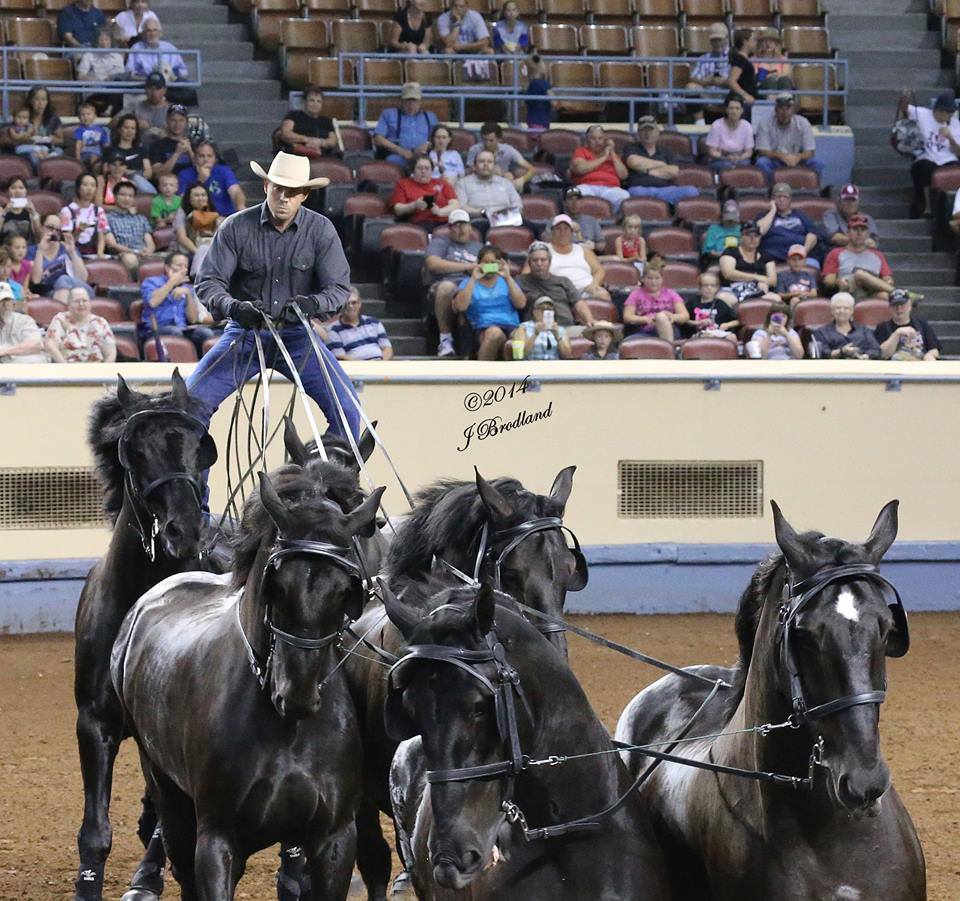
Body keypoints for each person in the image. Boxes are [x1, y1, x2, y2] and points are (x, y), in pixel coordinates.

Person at [187, 151, 360, 441]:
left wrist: (312, 305)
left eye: (292, 192)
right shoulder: (235, 227)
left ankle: (325, 482)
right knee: (188, 408)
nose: (284, 197)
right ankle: (193, 488)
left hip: (298, 337)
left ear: (304, 195)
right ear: (267, 186)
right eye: (278, 189)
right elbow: (208, 283)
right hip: (244, 335)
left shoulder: (320, 230)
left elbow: (339, 289)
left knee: (349, 412)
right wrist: (234, 307)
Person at [453, 243, 525, 360]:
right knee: (494, 333)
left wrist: (508, 277)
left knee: (520, 338)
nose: (490, 266)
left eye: (493, 263)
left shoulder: (507, 281)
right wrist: (473, 278)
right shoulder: (469, 282)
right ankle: (481, 376)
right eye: (486, 262)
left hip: (511, 327)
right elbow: (461, 307)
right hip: (482, 328)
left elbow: (521, 303)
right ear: (479, 263)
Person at [426, 208, 483, 357]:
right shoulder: (440, 242)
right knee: (446, 288)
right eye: (457, 225)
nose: (461, 229)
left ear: (470, 227)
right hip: (447, 282)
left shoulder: (478, 247)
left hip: (474, 283)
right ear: (450, 228)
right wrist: (467, 267)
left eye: (464, 225)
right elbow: (432, 263)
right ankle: (445, 340)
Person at [139, 250, 215, 354]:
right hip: (156, 328)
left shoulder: (187, 288)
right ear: (167, 268)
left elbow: (192, 319)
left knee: (206, 333)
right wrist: (172, 282)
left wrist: (188, 294)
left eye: (185, 266)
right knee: (175, 332)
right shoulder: (151, 282)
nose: (183, 270)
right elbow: (153, 302)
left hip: (182, 328)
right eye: (179, 265)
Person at [899, 90, 960, 218]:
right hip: (926, 156)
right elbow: (905, 109)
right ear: (939, 111)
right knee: (925, 169)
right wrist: (905, 97)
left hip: (947, 159)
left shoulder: (955, 124)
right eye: (948, 113)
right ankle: (927, 207)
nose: (950, 116)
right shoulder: (923, 114)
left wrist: (950, 138)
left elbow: (958, 152)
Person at [517, 240, 595, 334]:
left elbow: (579, 303)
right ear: (529, 263)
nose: (539, 264)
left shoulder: (563, 281)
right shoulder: (520, 281)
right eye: (535, 260)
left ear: (550, 262)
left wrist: (589, 320)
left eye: (543, 260)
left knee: (596, 333)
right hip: (535, 330)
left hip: (566, 329)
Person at [622, 116, 699, 207]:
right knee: (634, 192)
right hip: (641, 189)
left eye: (651, 130)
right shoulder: (631, 147)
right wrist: (661, 164)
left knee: (691, 191)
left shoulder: (666, 151)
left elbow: (673, 171)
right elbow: (633, 162)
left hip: (667, 190)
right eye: (644, 130)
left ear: (658, 132)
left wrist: (646, 170)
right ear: (638, 133)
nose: (647, 133)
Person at [754, 92, 823, 185]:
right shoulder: (765, 123)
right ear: (775, 110)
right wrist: (782, 156)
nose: (785, 113)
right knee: (761, 162)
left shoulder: (803, 123)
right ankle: (772, 191)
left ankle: (813, 193)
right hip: (775, 160)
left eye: (788, 108)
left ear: (793, 110)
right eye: (781, 109)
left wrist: (798, 157)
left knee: (817, 163)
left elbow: (810, 151)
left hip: (797, 159)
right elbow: (762, 151)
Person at [821, 214, 894, 301]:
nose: (859, 233)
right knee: (859, 274)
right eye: (855, 229)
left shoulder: (878, 255)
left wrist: (888, 282)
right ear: (847, 233)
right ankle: (899, 292)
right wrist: (838, 281)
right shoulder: (836, 253)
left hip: (871, 291)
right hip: (847, 291)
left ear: (867, 234)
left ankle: (897, 294)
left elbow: (888, 278)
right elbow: (828, 281)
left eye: (863, 230)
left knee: (884, 296)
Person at [455, 149, 523, 231]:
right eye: (481, 161)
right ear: (474, 166)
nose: (486, 164)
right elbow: (461, 206)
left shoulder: (505, 182)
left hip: (506, 219)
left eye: (490, 162)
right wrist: (482, 213)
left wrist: (510, 213)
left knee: (531, 228)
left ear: (494, 166)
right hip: (480, 220)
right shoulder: (463, 184)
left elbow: (517, 203)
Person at [29, 214, 93, 303]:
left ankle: (62, 314)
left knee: (63, 279)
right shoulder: (32, 251)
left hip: (78, 291)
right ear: (41, 228)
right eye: (50, 228)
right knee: (62, 285)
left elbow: (82, 278)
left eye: (58, 230)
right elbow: (36, 280)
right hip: (50, 293)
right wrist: (40, 251)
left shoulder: (67, 248)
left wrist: (72, 252)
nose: (53, 232)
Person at [45, 286, 117, 363]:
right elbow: (51, 346)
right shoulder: (60, 320)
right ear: (68, 305)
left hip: (96, 369)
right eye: (76, 301)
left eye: (85, 301)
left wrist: (104, 372)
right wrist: (65, 369)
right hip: (67, 369)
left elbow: (111, 353)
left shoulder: (100, 322)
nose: (81, 304)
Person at [373, 82, 438, 167]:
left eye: (414, 100)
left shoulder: (430, 117)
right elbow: (378, 138)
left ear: (420, 101)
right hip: (397, 156)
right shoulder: (389, 114)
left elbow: (439, 136)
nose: (411, 104)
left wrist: (427, 145)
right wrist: (401, 151)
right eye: (407, 100)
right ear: (401, 100)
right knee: (391, 162)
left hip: (424, 157)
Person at [546, 214, 610, 300]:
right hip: (557, 292)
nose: (562, 232)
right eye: (558, 229)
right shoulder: (543, 250)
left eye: (566, 228)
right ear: (552, 231)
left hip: (586, 290)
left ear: (571, 232)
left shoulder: (584, 250)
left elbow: (599, 270)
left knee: (603, 295)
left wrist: (594, 284)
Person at [717, 220, 780, 306]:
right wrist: (756, 277)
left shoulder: (766, 256)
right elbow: (728, 273)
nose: (752, 239)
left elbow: (773, 280)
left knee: (775, 298)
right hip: (732, 290)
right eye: (748, 235)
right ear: (741, 236)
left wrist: (763, 282)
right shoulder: (730, 251)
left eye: (756, 236)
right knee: (723, 297)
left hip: (757, 290)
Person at [569, 126, 630, 214]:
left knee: (624, 196)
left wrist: (612, 152)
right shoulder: (581, 151)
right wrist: (604, 158)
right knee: (575, 194)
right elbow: (580, 169)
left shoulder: (613, 156)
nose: (597, 141)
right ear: (587, 140)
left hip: (610, 188)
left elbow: (623, 175)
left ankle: (612, 221)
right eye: (593, 138)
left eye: (600, 138)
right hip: (587, 186)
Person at [622, 260, 688, 340]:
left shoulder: (671, 293)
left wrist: (672, 317)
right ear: (642, 279)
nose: (653, 282)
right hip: (645, 331)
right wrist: (645, 319)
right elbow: (627, 317)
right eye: (650, 278)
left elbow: (684, 315)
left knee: (661, 317)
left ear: (662, 279)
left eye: (657, 278)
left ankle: (668, 347)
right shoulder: (635, 294)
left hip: (670, 329)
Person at [177, 141, 246, 217]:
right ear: (195, 158)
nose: (206, 159)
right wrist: (201, 180)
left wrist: (240, 205)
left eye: (209, 156)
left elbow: (236, 191)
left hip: (224, 216)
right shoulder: (185, 174)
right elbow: (182, 201)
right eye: (201, 156)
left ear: (215, 159)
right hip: (197, 218)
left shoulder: (223, 171)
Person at [389, 154, 460, 226]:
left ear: (432, 170)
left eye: (427, 168)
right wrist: (415, 205)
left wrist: (439, 212)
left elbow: (455, 205)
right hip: (419, 224)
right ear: (413, 170)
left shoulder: (442, 183)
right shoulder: (403, 184)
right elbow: (398, 209)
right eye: (419, 168)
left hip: (445, 223)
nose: (423, 171)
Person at [755, 182, 818, 264]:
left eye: (785, 197)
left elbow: (813, 234)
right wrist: (772, 211)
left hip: (799, 257)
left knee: (814, 264)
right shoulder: (764, 216)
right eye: (778, 196)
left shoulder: (800, 215)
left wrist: (802, 252)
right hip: (772, 258)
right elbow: (759, 231)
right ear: (772, 199)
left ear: (790, 199)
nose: (782, 199)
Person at [326, 287, 394, 361]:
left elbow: (387, 348)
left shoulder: (374, 322)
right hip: (356, 370)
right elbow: (341, 357)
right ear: (340, 306)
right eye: (346, 303)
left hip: (380, 366)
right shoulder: (333, 330)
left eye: (354, 302)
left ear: (360, 303)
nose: (350, 306)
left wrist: (381, 364)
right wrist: (365, 366)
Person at [874, 288, 941, 361]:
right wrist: (897, 333)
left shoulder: (921, 324)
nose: (899, 309)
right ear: (890, 307)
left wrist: (930, 355)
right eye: (895, 305)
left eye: (902, 305)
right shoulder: (882, 327)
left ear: (910, 305)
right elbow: (882, 355)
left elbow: (934, 349)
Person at [810, 291, 881, 360]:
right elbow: (822, 353)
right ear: (832, 311)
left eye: (846, 308)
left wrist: (865, 356)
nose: (842, 311)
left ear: (852, 311)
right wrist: (841, 352)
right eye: (838, 308)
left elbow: (876, 350)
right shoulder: (821, 332)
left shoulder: (864, 330)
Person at [466, 122, 535, 191]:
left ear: (499, 139)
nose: (487, 144)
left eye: (491, 140)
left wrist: (522, 180)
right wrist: (492, 172)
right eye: (484, 140)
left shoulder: (508, 150)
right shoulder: (474, 150)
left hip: (503, 183)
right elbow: (470, 171)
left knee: (509, 177)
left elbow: (532, 169)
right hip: (481, 183)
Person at [107, 180, 156, 276]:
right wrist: (133, 252)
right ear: (115, 196)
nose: (126, 199)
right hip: (123, 254)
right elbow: (112, 245)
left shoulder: (141, 218)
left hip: (143, 253)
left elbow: (150, 242)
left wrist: (149, 251)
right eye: (123, 195)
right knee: (130, 259)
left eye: (130, 196)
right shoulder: (107, 218)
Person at [61, 173, 114, 258]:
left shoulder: (98, 211)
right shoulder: (67, 211)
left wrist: (100, 253)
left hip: (93, 254)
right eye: (85, 185)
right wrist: (79, 231)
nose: (89, 189)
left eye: (93, 185)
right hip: (73, 253)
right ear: (78, 188)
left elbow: (101, 236)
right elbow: (67, 241)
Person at [686, 23, 731, 124]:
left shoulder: (735, 57)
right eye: (714, 40)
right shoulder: (703, 58)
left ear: (726, 39)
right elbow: (693, 78)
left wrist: (724, 81)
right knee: (691, 87)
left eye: (719, 39)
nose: (716, 43)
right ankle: (700, 123)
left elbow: (740, 80)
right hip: (708, 93)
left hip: (727, 92)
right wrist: (705, 81)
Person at [10, 87, 64, 170]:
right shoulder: (23, 116)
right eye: (37, 99)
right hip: (28, 149)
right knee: (33, 156)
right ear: (31, 101)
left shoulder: (53, 117)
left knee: (59, 151)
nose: (40, 103)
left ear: (47, 102)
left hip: (47, 149)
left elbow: (61, 140)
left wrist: (50, 139)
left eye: (43, 100)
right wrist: (29, 138)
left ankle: (47, 170)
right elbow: (15, 137)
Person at [174, 182, 221, 275]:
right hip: (190, 251)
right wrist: (198, 252)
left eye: (203, 195)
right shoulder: (182, 212)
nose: (200, 198)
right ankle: (197, 277)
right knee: (203, 249)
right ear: (189, 198)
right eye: (196, 195)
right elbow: (182, 238)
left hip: (210, 250)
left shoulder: (213, 212)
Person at [278, 86, 338, 158]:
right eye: (312, 100)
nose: (315, 104)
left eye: (319, 101)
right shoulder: (294, 115)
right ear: (305, 102)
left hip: (322, 155)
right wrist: (307, 140)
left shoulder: (326, 121)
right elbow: (285, 134)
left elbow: (333, 141)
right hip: (298, 155)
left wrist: (320, 142)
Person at [77, 29, 126, 113]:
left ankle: (110, 110)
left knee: (118, 83)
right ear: (96, 42)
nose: (104, 43)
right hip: (94, 88)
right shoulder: (88, 55)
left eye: (107, 39)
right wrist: (92, 79)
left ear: (111, 41)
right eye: (101, 40)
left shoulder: (118, 57)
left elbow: (121, 76)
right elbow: (80, 76)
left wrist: (111, 78)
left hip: (111, 89)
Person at [704, 93, 754, 175]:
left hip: (740, 159)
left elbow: (749, 152)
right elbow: (712, 152)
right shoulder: (716, 125)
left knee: (745, 164)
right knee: (726, 165)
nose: (734, 111)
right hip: (720, 159)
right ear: (726, 109)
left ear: (742, 110)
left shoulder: (747, 126)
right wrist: (726, 157)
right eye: (731, 108)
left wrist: (739, 157)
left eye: (737, 108)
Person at [509, 295, 571, 360]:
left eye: (549, 309)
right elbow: (518, 356)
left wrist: (557, 336)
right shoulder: (523, 327)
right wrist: (535, 334)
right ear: (534, 312)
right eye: (542, 308)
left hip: (553, 367)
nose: (546, 312)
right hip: (531, 367)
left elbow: (567, 355)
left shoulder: (560, 330)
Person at [543, 187, 605, 252]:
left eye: (578, 199)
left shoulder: (591, 220)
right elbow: (546, 239)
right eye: (570, 199)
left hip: (587, 255)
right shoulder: (556, 220)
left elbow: (602, 244)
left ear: (582, 202)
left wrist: (594, 246)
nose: (574, 203)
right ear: (564, 202)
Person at [685, 271, 739, 345]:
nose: (709, 288)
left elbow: (737, 321)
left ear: (717, 288)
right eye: (705, 285)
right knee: (705, 336)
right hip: (699, 333)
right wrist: (697, 323)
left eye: (712, 285)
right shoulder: (693, 302)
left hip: (717, 332)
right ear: (700, 287)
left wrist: (727, 325)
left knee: (732, 337)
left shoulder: (720, 304)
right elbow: (684, 320)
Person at [0, 282, 46, 363]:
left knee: (36, 359)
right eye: (1, 301)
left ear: (13, 303)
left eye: (7, 300)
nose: (5, 305)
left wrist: (5, 351)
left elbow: (35, 345)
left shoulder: (24, 320)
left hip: (18, 362)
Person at [110, 114, 156, 194]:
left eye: (133, 128)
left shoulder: (141, 150)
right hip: (118, 183)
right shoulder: (111, 150)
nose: (129, 131)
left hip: (139, 184)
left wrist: (132, 173)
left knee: (136, 178)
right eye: (126, 128)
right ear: (119, 130)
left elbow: (148, 173)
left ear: (136, 131)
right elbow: (107, 170)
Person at [823, 184, 879, 248]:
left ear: (858, 202)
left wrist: (859, 241)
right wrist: (860, 241)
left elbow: (873, 243)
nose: (849, 203)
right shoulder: (830, 215)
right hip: (839, 251)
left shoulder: (867, 219)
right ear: (839, 201)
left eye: (853, 200)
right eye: (846, 200)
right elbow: (834, 237)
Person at [148, 104, 194, 179]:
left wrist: (190, 152)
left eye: (181, 120)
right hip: (168, 187)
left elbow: (202, 170)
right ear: (167, 121)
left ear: (186, 122)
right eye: (173, 120)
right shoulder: (157, 146)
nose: (177, 124)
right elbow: (159, 174)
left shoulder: (194, 144)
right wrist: (176, 154)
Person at [775, 244, 818, 308]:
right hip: (789, 303)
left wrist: (803, 294)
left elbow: (814, 293)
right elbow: (779, 294)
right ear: (788, 260)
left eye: (800, 259)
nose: (796, 262)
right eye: (793, 259)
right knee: (795, 300)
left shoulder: (809, 275)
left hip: (807, 301)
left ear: (805, 261)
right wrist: (793, 294)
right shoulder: (781, 275)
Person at [0, 177, 41, 243]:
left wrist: (34, 214)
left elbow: (39, 239)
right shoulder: (1, 210)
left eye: (21, 188)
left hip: (26, 249)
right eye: (13, 188)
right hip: (5, 250)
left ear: (26, 191)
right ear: (7, 191)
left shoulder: (32, 212)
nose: (17, 191)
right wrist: (4, 213)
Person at [133, 72, 169, 144]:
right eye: (150, 88)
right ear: (145, 89)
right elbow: (113, 123)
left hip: (165, 149)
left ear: (164, 90)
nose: (154, 92)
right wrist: (134, 122)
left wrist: (167, 135)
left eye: (157, 89)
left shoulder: (172, 110)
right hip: (140, 149)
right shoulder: (135, 107)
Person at [73, 101, 110, 167]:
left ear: (94, 116)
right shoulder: (80, 130)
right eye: (83, 114)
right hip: (85, 155)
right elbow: (77, 147)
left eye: (88, 114)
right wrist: (78, 162)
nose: (85, 117)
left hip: (98, 155)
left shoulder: (101, 130)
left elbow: (105, 145)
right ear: (79, 118)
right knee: (94, 158)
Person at [727, 28, 758, 108]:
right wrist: (745, 95)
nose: (756, 43)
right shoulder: (740, 59)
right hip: (744, 102)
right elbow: (731, 81)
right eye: (753, 40)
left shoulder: (744, 59)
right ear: (745, 42)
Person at [525, 54, 551, 132]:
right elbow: (555, 102)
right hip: (542, 121)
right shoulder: (544, 84)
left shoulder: (529, 85)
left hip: (531, 120)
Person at [7, 234, 35, 298]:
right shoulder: (7, 265)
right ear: (9, 249)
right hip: (8, 294)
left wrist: (26, 294)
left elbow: (25, 286)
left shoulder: (27, 265)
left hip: (21, 294)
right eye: (17, 247)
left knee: (36, 297)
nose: (21, 250)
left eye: (24, 247)